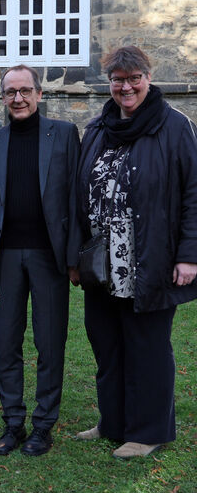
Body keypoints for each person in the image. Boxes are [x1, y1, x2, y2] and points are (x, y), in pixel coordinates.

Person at [76, 46, 197, 459]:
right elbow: (79, 193)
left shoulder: (175, 126)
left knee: (147, 346)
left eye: (134, 78)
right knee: (107, 345)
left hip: (151, 258)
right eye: (117, 80)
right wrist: (76, 256)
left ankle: (147, 432)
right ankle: (113, 422)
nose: (125, 87)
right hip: (102, 263)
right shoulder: (97, 128)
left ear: (148, 78)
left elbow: (193, 193)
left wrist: (189, 255)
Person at [0, 65, 81, 456]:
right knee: (7, 344)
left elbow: (75, 199)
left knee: (50, 344)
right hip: (4, 259)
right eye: (10, 92)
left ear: (39, 93)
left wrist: (73, 258)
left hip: (49, 257)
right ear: (2, 96)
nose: (17, 99)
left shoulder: (64, 134)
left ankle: (43, 426)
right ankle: (13, 423)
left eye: (24, 91)